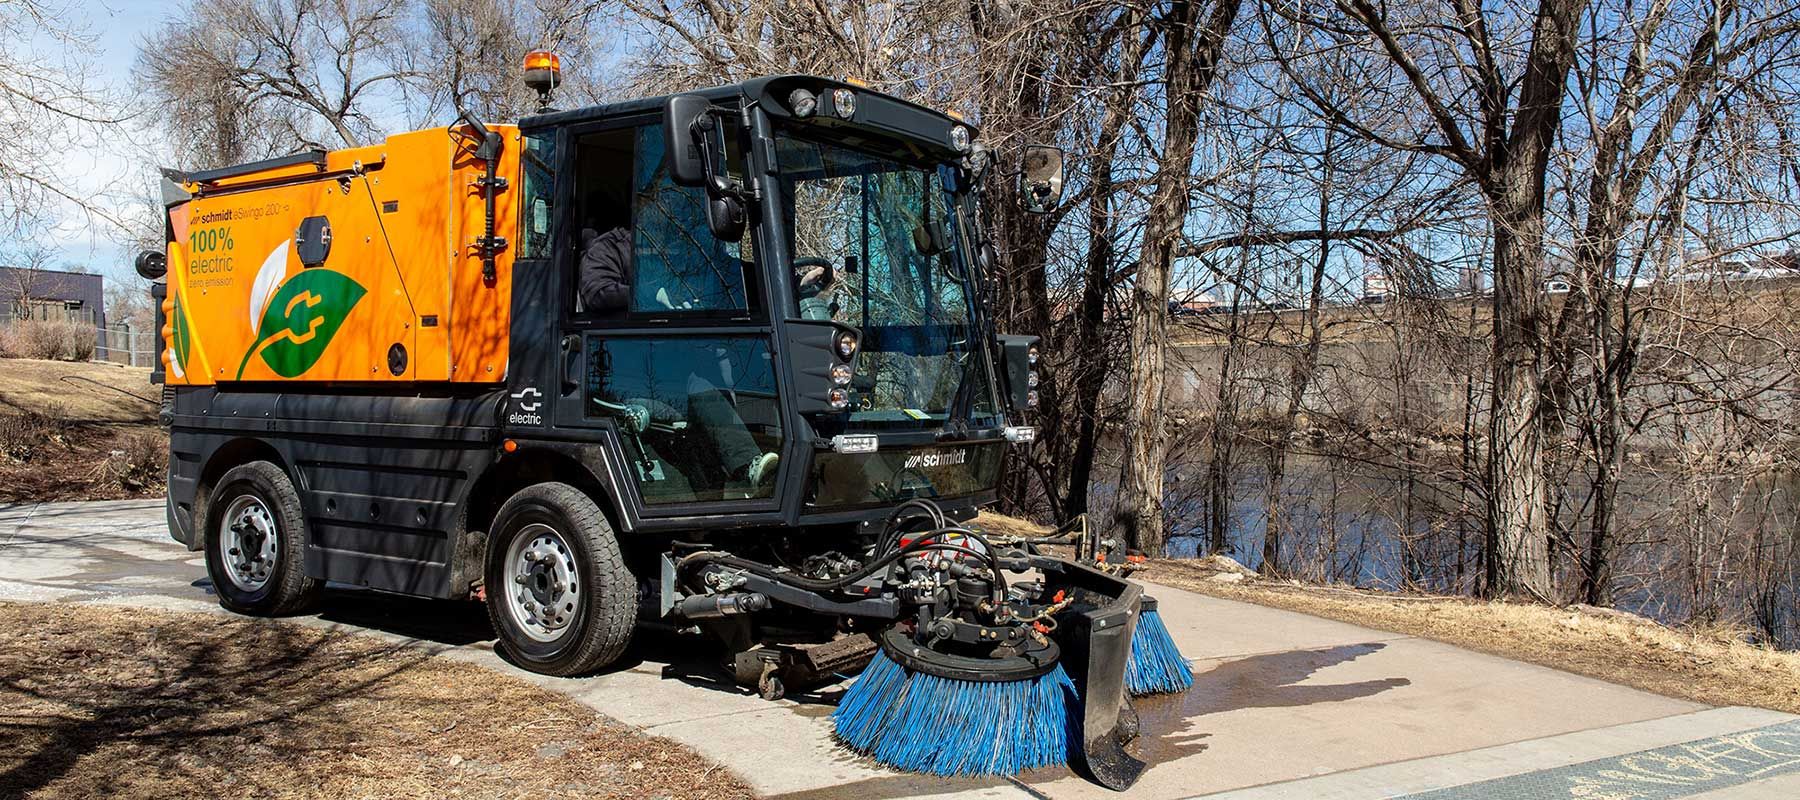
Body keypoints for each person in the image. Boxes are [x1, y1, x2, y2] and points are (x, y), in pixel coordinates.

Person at [579, 219, 778, 490]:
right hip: (626, 367)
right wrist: (650, 296)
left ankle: (748, 468)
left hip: (672, 362)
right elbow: (597, 293)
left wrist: (786, 281)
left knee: (708, 387)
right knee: (698, 387)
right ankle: (744, 468)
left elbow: (728, 275)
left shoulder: (676, 252)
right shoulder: (609, 248)